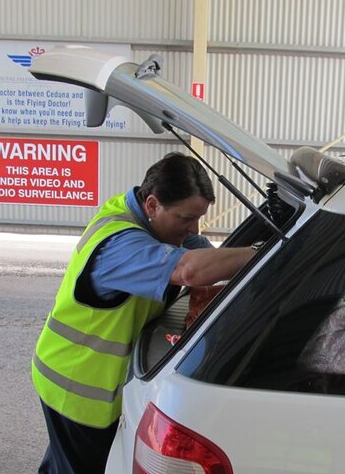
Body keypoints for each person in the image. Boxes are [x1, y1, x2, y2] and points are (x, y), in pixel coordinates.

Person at [32, 152, 256, 473]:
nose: (193, 227)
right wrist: (261, 254)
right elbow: (190, 271)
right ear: (152, 205)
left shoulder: (154, 223)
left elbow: (204, 255)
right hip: (77, 387)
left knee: (61, 465)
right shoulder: (119, 245)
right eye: (185, 218)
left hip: (82, 379)